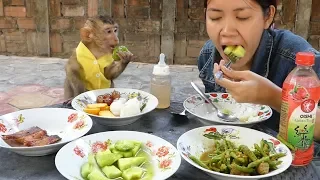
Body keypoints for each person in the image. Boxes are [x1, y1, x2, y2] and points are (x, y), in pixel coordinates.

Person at [198, 0, 320, 139]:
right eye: (215, 17)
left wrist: (273, 97)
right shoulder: (208, 56)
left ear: (268, 17)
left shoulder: (301, 64)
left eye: (242, 17)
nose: (227, 32)